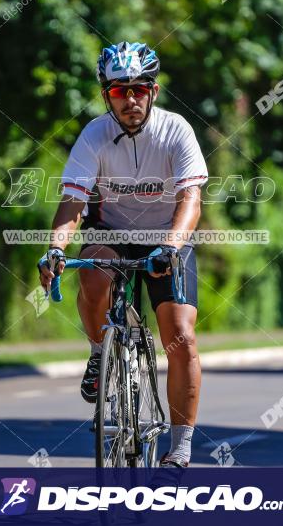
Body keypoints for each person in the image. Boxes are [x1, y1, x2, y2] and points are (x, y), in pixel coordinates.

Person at [38, 41, 208, 468]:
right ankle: (100, 352)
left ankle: (181, 446)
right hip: (110, 230)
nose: (130, 99)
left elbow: (191, 199)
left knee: (181, 336)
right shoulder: (94, 135)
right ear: (106, 95)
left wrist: (171, 246)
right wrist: (56, 249)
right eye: (119, 91)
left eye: (138, 89)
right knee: (92, 274)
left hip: (167, 235)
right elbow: (73, 203)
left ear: (153, 91)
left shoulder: (176, 130)